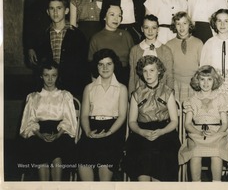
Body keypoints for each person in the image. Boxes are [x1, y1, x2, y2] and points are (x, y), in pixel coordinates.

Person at [124, 55, 180, 181]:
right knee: (142, 155)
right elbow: (132, 122)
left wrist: (162, 131)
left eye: (152, 70)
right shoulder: (136, 94)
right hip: (142, 131)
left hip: (165, 131)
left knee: (163, 156)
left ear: (159, 71)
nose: (148, 74)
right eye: (145, 71)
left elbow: (174, 121)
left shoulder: (168, 91)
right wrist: (142, 132)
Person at [19, 61, 77, 181]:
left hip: (61, 132)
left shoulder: (65, 96)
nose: (50, 79)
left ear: (58, 76)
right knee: (41, 154)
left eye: (53, 75)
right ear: (41, 76)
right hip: (38, 132)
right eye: (46, 75)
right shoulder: (33, 97)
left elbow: (69, 120)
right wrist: (39, 135)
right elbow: (28, 122)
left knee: (57, 156)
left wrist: (58, 134)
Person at [77, 49, 128, 181]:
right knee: (83, 159)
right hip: (92, 127)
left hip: (113, 128)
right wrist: (88, 132)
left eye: (109, 64)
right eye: (101, 64)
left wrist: (109, 132)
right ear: (96, 66)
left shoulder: (122, 88)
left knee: (106, 161)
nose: (105, 68)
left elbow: (122, 116)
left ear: (114, 65)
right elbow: (83, 116)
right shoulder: (89, 88)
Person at [178, 65, 228, 182]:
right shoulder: (191, 99)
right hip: (197, 133)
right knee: (195, 152)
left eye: (209, 79)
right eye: (202, 79)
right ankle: (196, 184)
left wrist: (217, 133)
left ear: (214, 81)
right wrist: (198, 132)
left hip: (217, 132)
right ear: (197, 81)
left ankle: (216, 184)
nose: (206, 83)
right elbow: (187, 124)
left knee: (216, 152)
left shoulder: (220, 98)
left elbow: (225, 124)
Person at [35, 0, 89, 99]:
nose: (55, 12)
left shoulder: (77, 35)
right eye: (52, 8)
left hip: (72, 84)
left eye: (59, 8)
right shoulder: (43, 36)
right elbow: (41, 64)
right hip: (50, 86)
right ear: (47, 12)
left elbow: (82, 64)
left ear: (66, 11)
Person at [23, 0, 72, 67]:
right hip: (39, 42)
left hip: (61, 41)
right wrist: (29, 47)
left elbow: (70, 18)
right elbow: (28, 22)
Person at [128, 14, 174, 96]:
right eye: (146, 27)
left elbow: (169, 76)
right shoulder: (135, 50)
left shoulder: (166, 50)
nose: (150, 31)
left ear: (158, 30)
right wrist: (131, 98)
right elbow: (132, 77)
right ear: (142, 29)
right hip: (141, 95)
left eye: (153, 28)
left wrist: (169, 97)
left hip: (161, 95)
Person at [89, 4, 134, 85]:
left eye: (119, 15)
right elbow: (92, 67)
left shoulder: (126, 35)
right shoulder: (96, 38)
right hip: (103, 79)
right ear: (104, 17)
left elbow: (134, 61)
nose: (116, 18)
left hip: (124, 79)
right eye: (112, 14)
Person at [166, 11, 203, 102]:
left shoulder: (198, 43)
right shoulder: (169, 44)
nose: (181, 27)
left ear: (189, 25)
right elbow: (168, 69)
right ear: (174, 26)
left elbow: (201, 67)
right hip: (176, 84)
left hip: (194, 84)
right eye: (178, 24)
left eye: (184, 23)